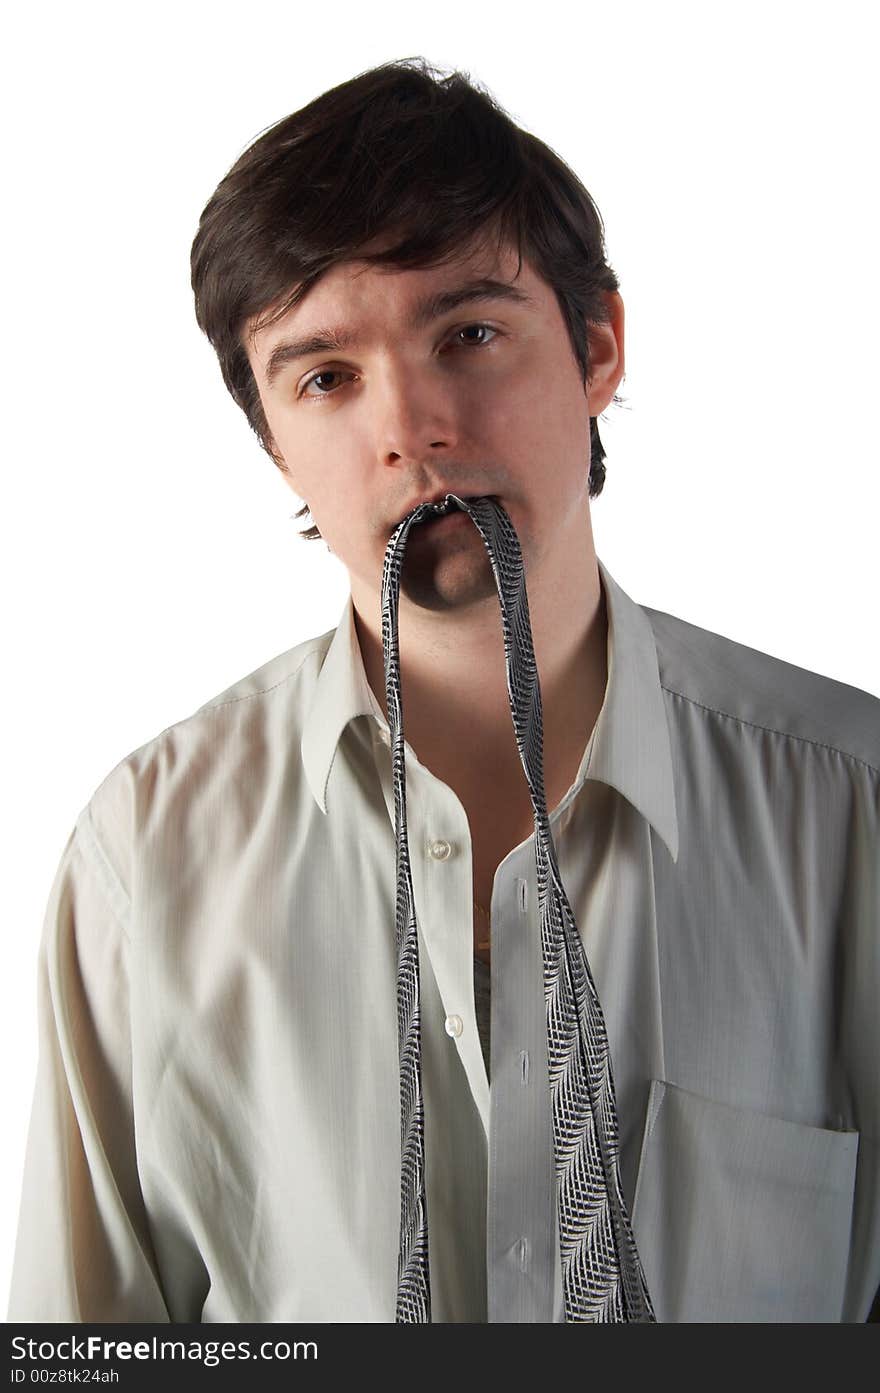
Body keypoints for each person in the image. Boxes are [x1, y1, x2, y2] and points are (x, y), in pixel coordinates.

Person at [8, 56, 879, 1324]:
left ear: (595, 348)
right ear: (271, 437)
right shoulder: (147, 857)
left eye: (467, 334)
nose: (410, 427)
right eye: (326, 377)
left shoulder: (850, 807)